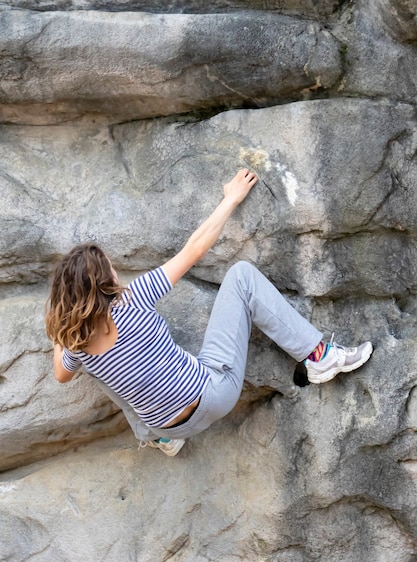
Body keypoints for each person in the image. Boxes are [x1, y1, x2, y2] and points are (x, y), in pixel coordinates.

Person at [46, 169, 373, 457]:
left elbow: (62, 374)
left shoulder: (76, 345)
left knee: (93, 366)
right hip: (215, 396)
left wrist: (61, 332)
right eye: (110, 269)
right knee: (242, 276)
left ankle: (156, 438)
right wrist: (230, 199)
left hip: (169, 427)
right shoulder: (134, 299)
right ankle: (317, 355)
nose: (116, 272)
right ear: (105, 281)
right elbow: (195, 248)